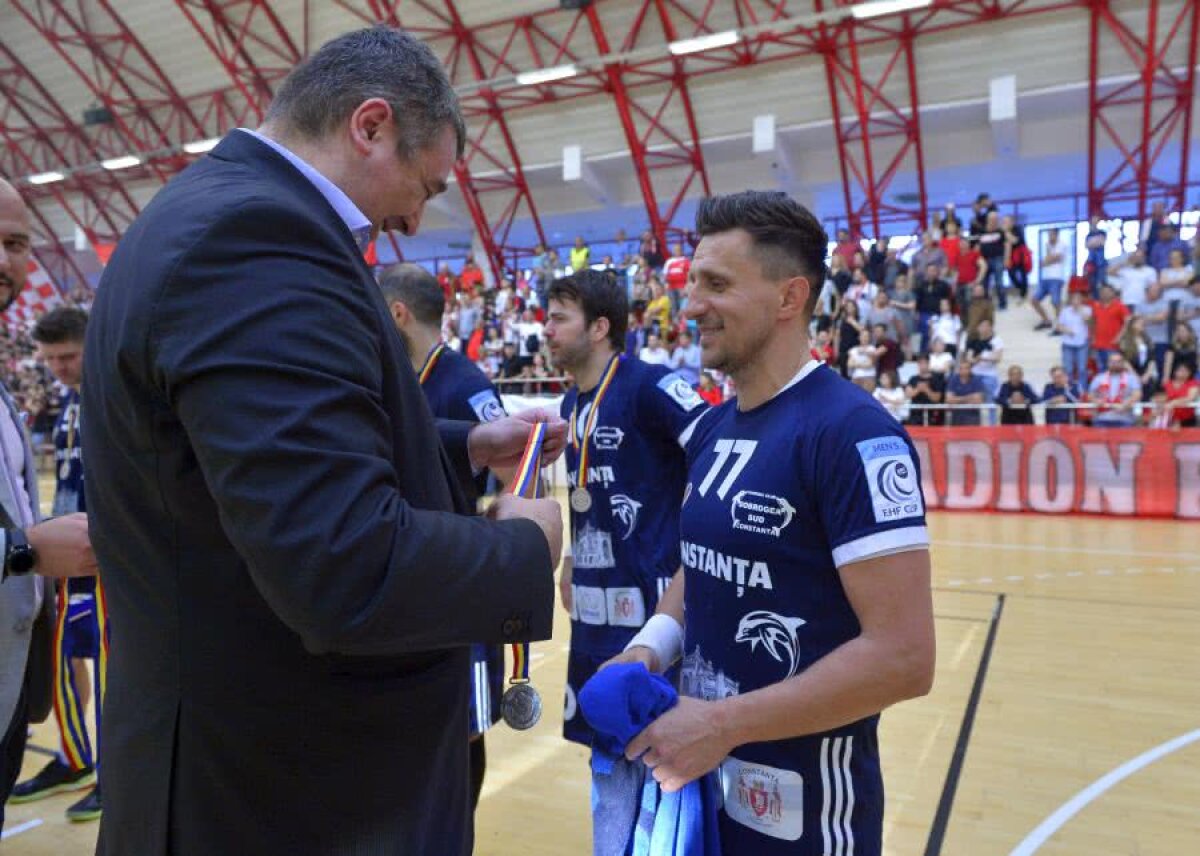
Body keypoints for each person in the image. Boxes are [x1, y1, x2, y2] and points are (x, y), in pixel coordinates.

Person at [80, 29, 566, 855]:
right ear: (370, 126)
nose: (414, 217)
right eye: (424, 184)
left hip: (253, 769)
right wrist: (524, 543)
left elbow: (231, 467)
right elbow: (344, 566)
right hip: (286, 795)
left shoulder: (212, 209)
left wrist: (457, 446)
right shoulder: (261, 239)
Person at [610, 191, 934, 855]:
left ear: (789, 298)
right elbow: (699, 569)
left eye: (717, 284)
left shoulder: (851, 433)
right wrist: (651, 646)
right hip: (701, 793)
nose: (690, 305)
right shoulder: (712, 429)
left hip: (806, 821)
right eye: (691, 282)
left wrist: (723, 724)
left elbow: (904, 658)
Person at [542, 269, 704, 796]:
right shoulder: (572, 405)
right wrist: (570, 562)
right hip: (593, 607)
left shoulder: (649, 386)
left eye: (559, 318)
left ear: (598, 328)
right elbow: (585, 494)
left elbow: (715, 446)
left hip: (651, 610)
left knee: (660, 761)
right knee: (607, 756)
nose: (546, 329)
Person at [377, 263, 509, 810]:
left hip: (458, 579)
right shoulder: (395, 383)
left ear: (397, 314)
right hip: (408, 577)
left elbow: (512, 474)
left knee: (467, 729)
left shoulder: (466, 383)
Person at [0, 178, 98, 831]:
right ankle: (79, 755)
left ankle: (85, 756)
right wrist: (25, 551)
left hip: (82, 566)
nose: (5, 260)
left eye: (14, 243)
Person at [11, 308, 107, 822]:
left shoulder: (118, 390)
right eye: (50, 360)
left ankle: (118, 775)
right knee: (66, 655)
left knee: (117, 665)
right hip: (67, 554)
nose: (59, 368)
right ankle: (74, 758)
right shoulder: (70, 399)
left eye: (67, 356)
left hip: (109, 557)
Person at [1087, 352, 1142, 427]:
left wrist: (1126, 404)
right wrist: (1096, 401)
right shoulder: (1099, 378)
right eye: (1112, 362)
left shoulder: (1131, 378)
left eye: (1118, 362)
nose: (1115, 364)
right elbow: (1090, 394)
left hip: (1124, 418)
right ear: (1108, 363)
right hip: (1102, 418)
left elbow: (1137, 394)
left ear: (1123, 363)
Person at [1032, 226, 1068, 330]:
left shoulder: (1062, 245)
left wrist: (1047, 260)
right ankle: (1046, 320)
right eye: (1048, 234)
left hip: (1056, 277)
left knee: (1055, 301)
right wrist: (1047, 259)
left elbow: (1053, 259)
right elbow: (1042, 263)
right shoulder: (1048, 246)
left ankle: (1060, 325)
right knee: (1034, 300)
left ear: (1057, 234)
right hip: (1045, 278)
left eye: (1051, 234)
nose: (1049, 236)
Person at [906, 353, 947, 427]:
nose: (922, 366)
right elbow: (908, 395)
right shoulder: (913, 379)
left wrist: (927, 390)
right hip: (915, 415)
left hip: (932, 416)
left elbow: (937, 398)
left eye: (924, 363)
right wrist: (918, 389)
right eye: (920, 363)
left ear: (928, 363)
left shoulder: (936, 379)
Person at [945, 361, 989, 426]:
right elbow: (949, 400)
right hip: (956, 417)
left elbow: (978, 400)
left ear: (970, 369)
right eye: (961, 368)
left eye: (966, 368)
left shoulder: (977, 380)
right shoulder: (953, 379)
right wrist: (969, 397)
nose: (963, 370)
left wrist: (957, 399)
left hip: (972, 417)